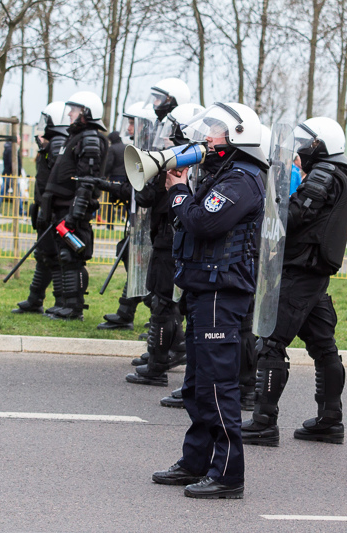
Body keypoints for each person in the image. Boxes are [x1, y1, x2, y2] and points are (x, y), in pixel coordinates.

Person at [151, 102, 266, 499]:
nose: (207, 137)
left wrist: (178, 191)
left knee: (218, 387)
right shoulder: (219, 175)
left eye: (215, 131)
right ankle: (196, 461)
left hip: (222, 293)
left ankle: (228, 475)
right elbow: (188, 219)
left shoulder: (242, 180)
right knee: (197, 386)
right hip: (203, 289)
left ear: (237, 137)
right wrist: (180, 191)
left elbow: (203, 222)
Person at [240, 116, 347, 448]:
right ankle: (330, 420)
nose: (301, 150)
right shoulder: (340, 176)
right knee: (323, 346)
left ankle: (264, 422)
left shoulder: (324, 173)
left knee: (270, 341)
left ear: (321, 145)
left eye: (307, 143)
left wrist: (266, 207)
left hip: (301, 272)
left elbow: (295, 214)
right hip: (312, 273)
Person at [124, 78, 192, 387]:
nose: (165, 136)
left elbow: (153, 197)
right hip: (164, 235)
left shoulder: (182, 160)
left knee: (163, 301)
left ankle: (158, 365)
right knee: (160, 297)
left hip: (170, 236)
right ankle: (164, 353)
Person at [36, 91, 109, 320]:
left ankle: (74, 308)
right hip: (63, 208)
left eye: (74, 110)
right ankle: (64, 303)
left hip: (73, 210)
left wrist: (75, 213)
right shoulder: (77, 137)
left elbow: (87, 179)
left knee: (71, 257)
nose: (69, 114)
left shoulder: (90, 139)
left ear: (86, 112)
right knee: (62, 256)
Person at [96, 102, 156, 331]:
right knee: (134, 264)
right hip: (138, 219)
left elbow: (144, 191)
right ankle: (125, 313)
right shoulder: (138, 150)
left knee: (146, 268)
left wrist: (113, 188)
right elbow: (133, 190)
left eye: (133, 123)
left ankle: (159, 317)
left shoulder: (152, 151)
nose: (129, 128)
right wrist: (112, 188)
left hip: (151, 222)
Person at [12, 101, 68, 315]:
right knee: (43, 255)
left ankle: (61, 301)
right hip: (43, 207)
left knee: (53, 256)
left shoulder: (57, 144)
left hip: (52, 210)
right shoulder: (50, 145)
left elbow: (56, 179)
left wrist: (50, 209)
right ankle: (35, 299)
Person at [0, 135, 22, 216]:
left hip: (8, 174)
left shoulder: (10, 148)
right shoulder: (11, 149)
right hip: (11, 175)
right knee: (17, 194)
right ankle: (20, 211)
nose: (20, 140)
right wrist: (16, 172)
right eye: (19, 138)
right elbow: (12, 163)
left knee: (2, 193)